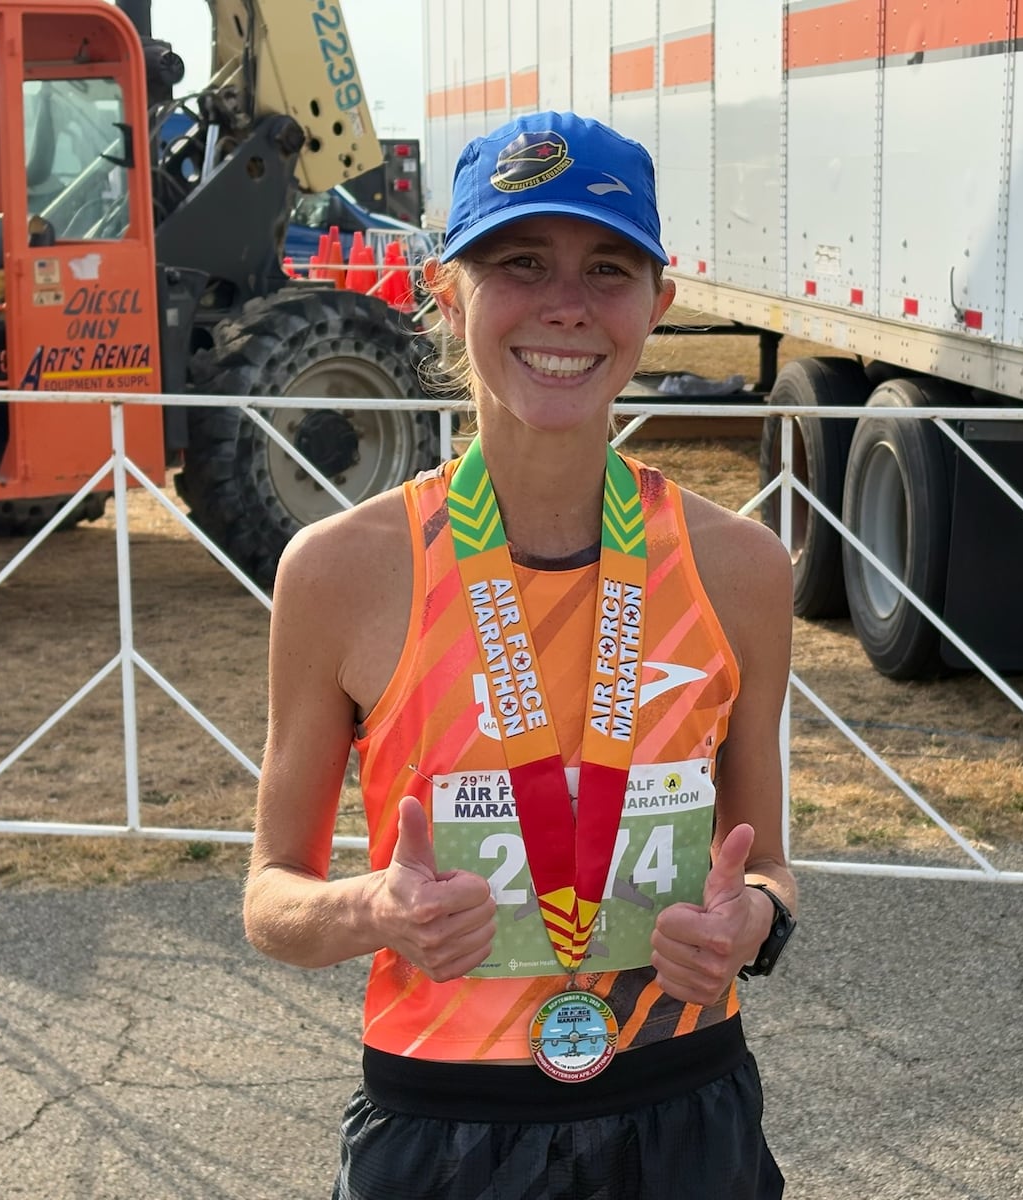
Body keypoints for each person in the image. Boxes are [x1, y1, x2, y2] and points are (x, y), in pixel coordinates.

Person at [244, 110, 798, 1200]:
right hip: (444, 1125)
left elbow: (769, 864)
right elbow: (271, 897)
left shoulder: (740, 569)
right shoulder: (340, 571)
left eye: (608, 269)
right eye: (520, 263)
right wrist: (372, 912)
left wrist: (752, 923)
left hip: (682, 1110)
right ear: (446, 295)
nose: (566, 305)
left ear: (658, 308)